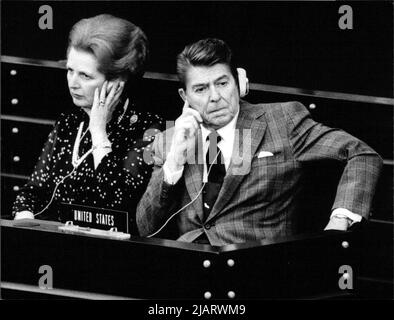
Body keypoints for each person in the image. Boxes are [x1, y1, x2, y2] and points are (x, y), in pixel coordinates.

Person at [136, 38, 383, 246]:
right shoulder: (171, 140)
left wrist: (339, 220)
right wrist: (174, 162)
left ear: (239, 83)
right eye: (200, 89)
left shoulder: (282, 121)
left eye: (222, 83)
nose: (215, 97)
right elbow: (146, 228)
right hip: (190, 273)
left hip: (258, 269)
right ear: (185, 96)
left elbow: (361, 154)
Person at [12, 14, 163, 233]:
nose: (73, 83)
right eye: (70, 71)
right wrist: (24, 218)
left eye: (85, 76)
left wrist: (99, 132)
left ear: (116, 82)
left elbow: (118, 204)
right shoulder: (68, 122)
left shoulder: (148, 128)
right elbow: (32, 191)